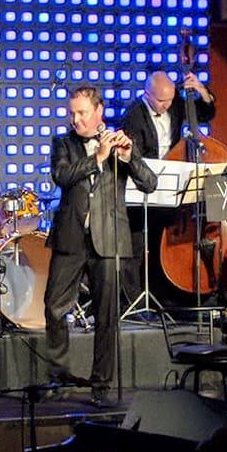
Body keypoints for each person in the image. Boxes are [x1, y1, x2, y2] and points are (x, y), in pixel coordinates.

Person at [44, 86, 157, 406]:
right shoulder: (63, 143)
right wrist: (97, 158)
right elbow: (62, 176)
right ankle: (58, 378)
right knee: (54, 308)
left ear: (99, 111)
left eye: (82, 112)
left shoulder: (120, 141)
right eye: (72, 113)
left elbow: (149, 183)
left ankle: (101, 385)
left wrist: (128, 157)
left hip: (109, 239)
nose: (75, 119)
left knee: (107, 316)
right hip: (71, 238)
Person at [119, 70, 215, 304]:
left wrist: (201, 91)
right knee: (139, 244)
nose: (167, 106)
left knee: (165, 243)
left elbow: (206, 113)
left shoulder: (175, 103)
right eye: (162, 101)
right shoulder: (133, 115)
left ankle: (169, 296)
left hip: (171, 185)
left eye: (170, 100)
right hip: (144, 184)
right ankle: (134, 299)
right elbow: (135, 157)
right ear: (147, 95)